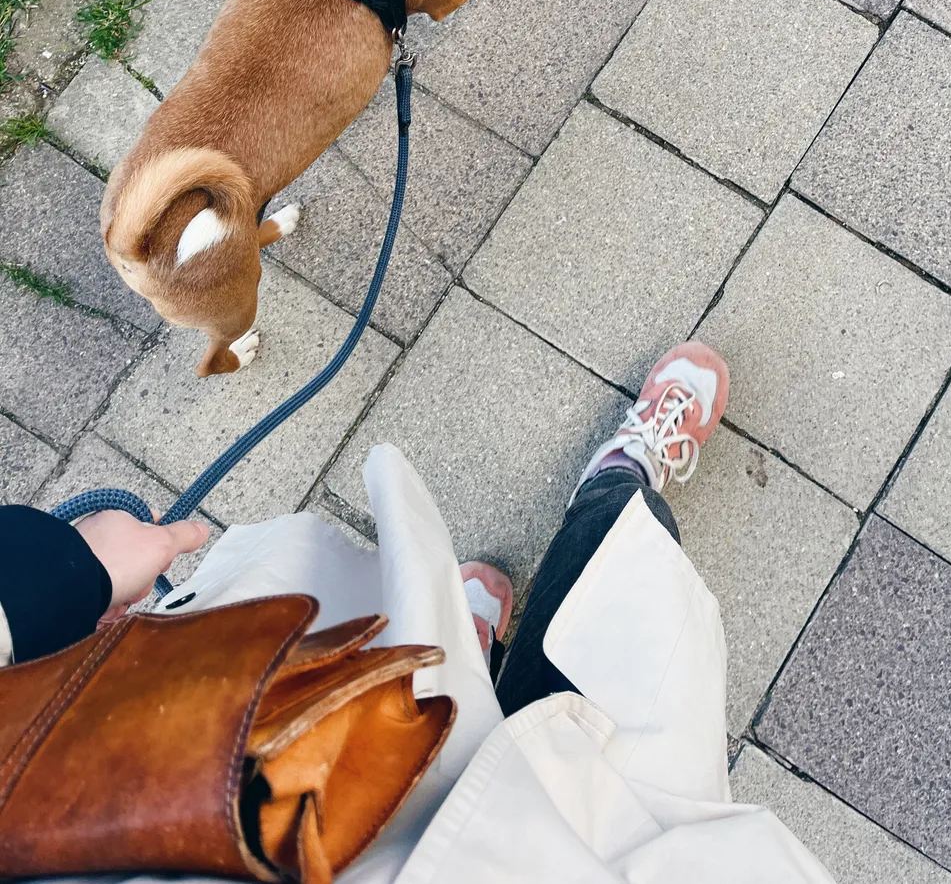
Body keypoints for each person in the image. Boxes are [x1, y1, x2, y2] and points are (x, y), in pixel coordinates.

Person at [0, 342, 834, 883]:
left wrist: (49, 586)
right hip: (588, 850)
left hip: (218, 804)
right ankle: (619, 481)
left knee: (397, 661)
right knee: (622, 611)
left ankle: (449, 653)